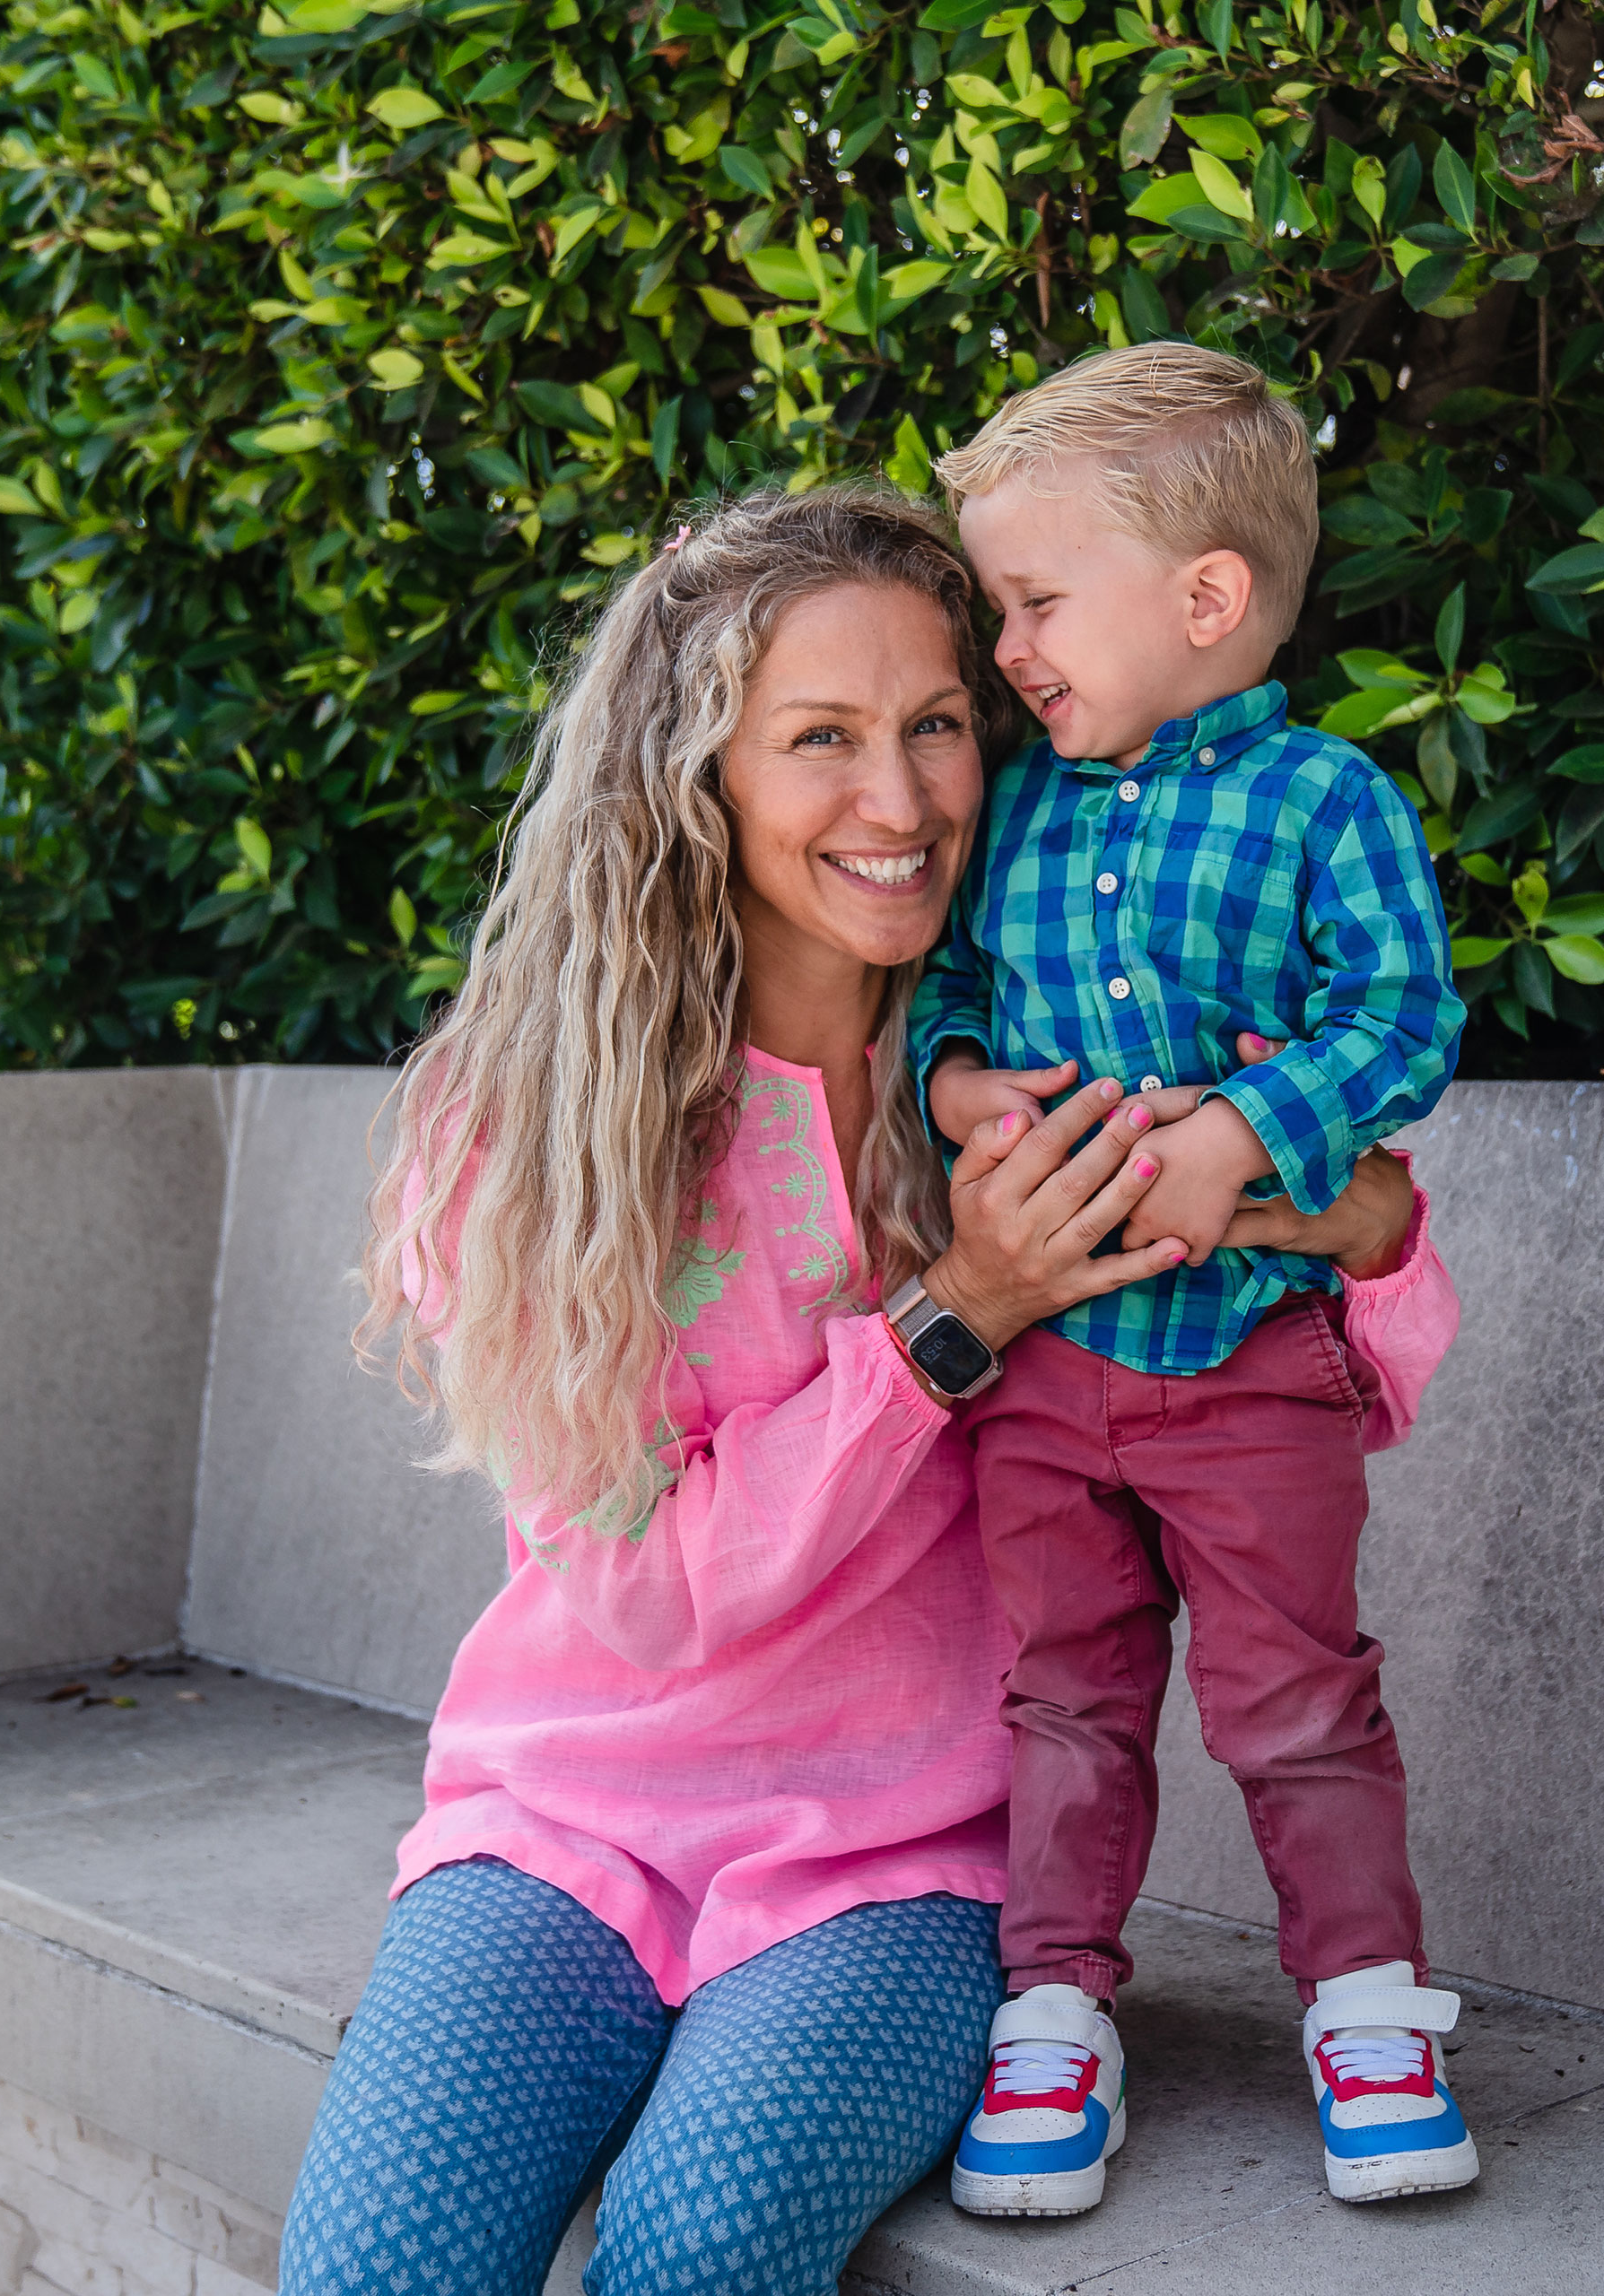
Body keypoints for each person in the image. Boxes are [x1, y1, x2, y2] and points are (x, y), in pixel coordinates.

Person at [273, 483, 1462, 2296]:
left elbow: (1358, 1355)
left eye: (934, 728)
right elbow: (644, 1590)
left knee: (698, 2252)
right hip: (563, 1819)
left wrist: (1352, 1203)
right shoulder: (525, 1122)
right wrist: (957, 1313)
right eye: (820, 739)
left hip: (908, 1856)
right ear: (698, 774)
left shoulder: (1037, 1051)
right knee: (378, 2271)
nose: (900, 803)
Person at [909, 343, 1474, 2215]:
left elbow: (1404, 1010)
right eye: (1003, 607)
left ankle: (1371, 2005)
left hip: (1250, 1361)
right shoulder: (1029, 812)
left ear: (1205, 597)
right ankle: (1054, 2007)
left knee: (1296, 1693)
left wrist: (1248, 1132)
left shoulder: (1324, 802)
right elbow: (961, 994)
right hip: (1053, 1373)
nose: (1009, 648)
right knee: (1062, 1691)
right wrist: (959, 1081)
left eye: (1036, 601)